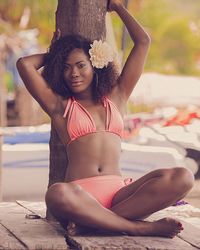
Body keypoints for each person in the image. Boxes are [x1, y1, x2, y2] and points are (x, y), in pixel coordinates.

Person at [17, 0, 194, 238]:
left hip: (121, 195)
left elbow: (143, 42)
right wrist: (55, 54)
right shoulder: (60, 106)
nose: (74, 73)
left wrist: (119, 7)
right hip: (80, 196)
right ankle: (139, 227)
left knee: (183, 177)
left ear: (95, 65)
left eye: (81, 65)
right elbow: (24, 64)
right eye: (67, 67)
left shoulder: (118, 97)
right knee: (56, 193)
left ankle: (96, 224)